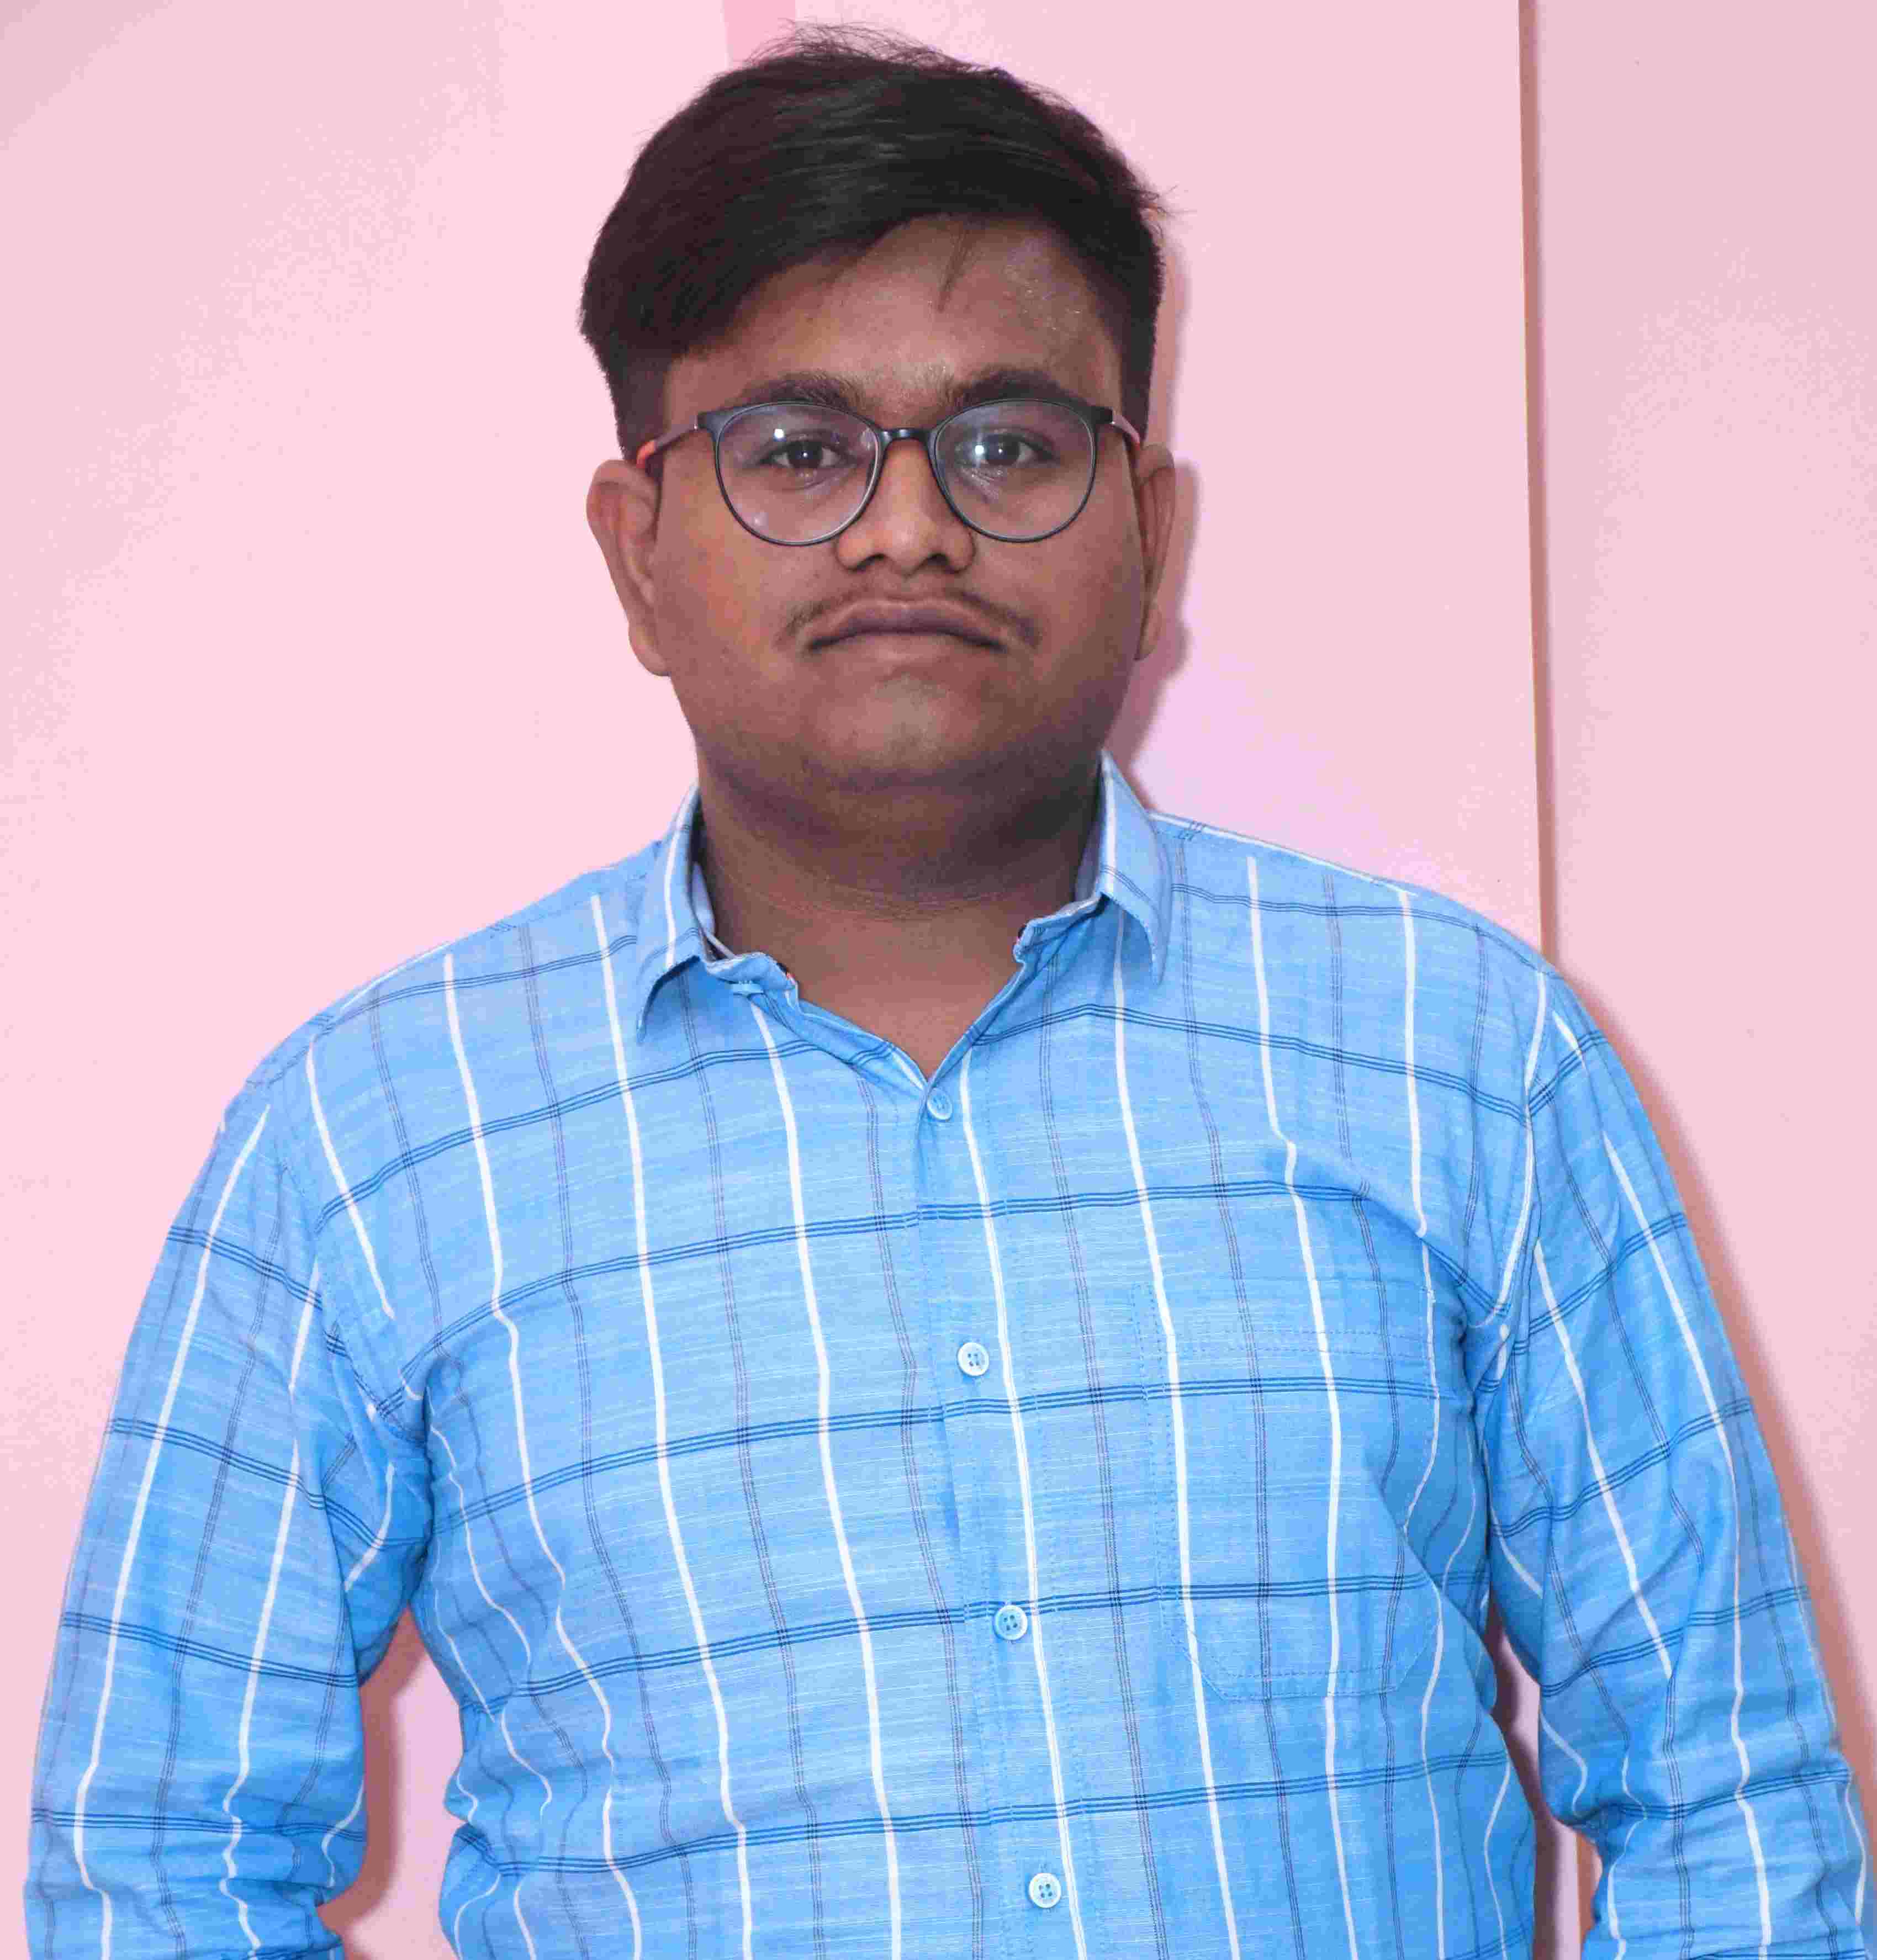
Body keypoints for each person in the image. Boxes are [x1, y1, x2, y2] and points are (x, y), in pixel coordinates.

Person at [25, 24, 1871, 1959]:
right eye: (797, 450)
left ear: (1152, 533)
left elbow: (1730, 1803)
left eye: (1008, 445)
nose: (909, 526)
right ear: (637, 551)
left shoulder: (1462, 1059)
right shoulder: (375, 1143)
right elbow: (155, 1869)